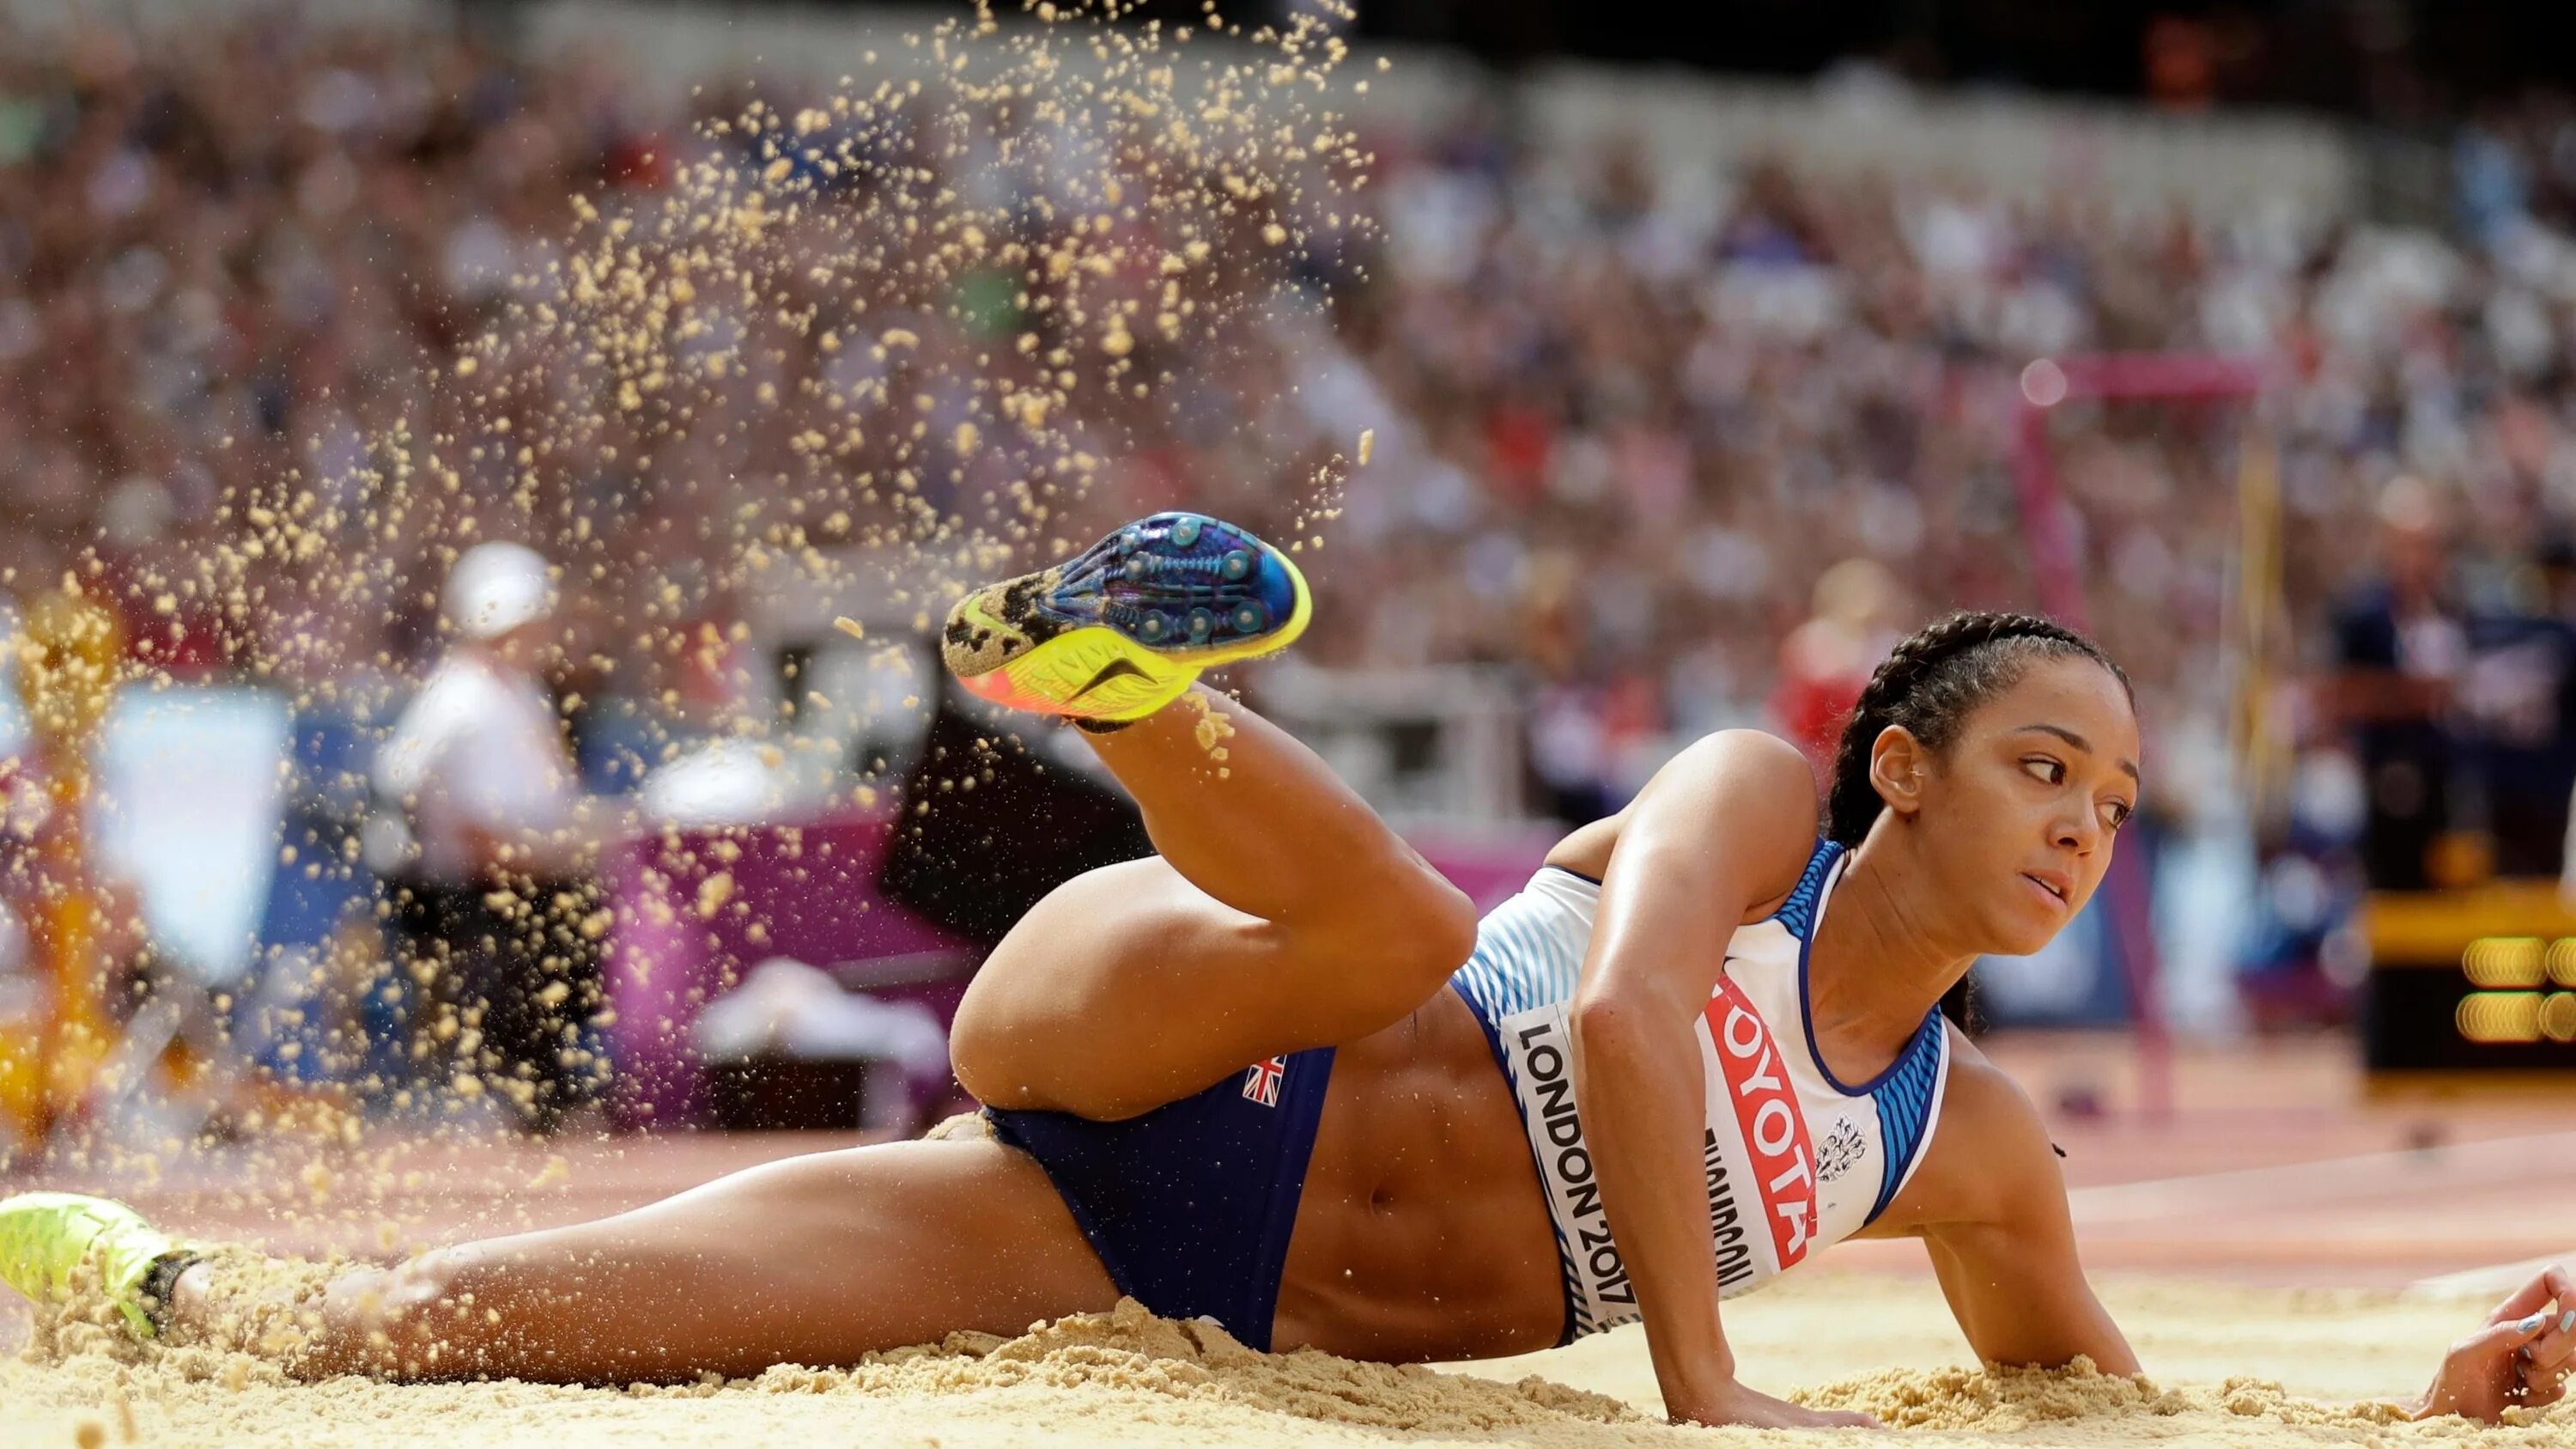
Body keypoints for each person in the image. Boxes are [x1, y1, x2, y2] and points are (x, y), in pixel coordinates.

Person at [3, 511, 2568, 1428]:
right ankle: (1124, 693)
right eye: (2042, 768)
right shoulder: (1747, 806)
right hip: (1197, 1000)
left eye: (2116, 806)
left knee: (474, 1326)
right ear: (1901, 767)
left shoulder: (1971, 1143)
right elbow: (1606, 1016)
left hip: (1153, 1248)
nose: (2083, 829)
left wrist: (2435, 1413)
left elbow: (2095, 1410)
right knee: (1420, 932)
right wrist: (1702, 1383)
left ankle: (165, 1292)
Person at [370, 541, 618, 1129]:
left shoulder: (515, 692)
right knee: (555, 927)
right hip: (471, 894)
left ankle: (550, 1085)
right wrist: (569, 851)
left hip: (516, 877)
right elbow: (480, 839)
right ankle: (528, 1089)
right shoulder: (465, 702)